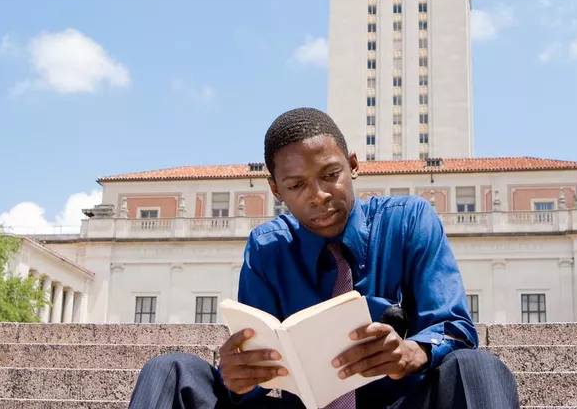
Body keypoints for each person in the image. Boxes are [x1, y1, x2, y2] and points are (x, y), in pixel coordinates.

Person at [128, 108, 520, 409]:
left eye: (330, 174)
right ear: (276, 189)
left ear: (352, 165)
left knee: (478, 368)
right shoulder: (266, 247)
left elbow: (453, 327)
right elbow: (257, 375)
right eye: (296, 185)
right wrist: (240, 380)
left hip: (402, 402)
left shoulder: (409, 221)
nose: (317, 195)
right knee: (171, 371)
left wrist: (412, 351)